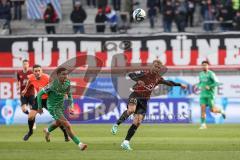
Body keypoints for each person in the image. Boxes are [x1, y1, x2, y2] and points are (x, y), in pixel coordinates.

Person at [111, 60, 187, 150]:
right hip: (135, 95)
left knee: (137, 122)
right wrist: (138, 80)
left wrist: (179, 84)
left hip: (144, 101)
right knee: (131, 110)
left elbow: (168, 82)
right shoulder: (144, 73)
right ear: (152, 66)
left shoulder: (158, 78)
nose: (157, 68)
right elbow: (131, 74)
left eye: (159, 67)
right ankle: (116, 125)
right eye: (156, 66)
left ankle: (126, 142)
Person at [37, 67, 87, 150]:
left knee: (58, 123)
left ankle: (47, 130)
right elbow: (39, 94)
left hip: (60, 106)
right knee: (67, 125)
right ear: (58, 75)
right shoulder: (52, 85)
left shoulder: (67, 83)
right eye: (63, 74)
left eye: (67, 74)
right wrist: (39, 107)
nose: (66, 76)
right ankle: (80, 144)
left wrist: (71, 107)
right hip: (53, 107)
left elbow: (70, 95)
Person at [22, 65, 69, 142]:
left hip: (49, 99)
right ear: (33, 72)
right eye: (35, 71)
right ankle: (30, 132)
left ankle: (66, 135)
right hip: (39, 99)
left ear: (41, 71)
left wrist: (63, 94)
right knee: (30, 117)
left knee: (58, 118)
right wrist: (25, 89)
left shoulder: (47, 78)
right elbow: (29, 82)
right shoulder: (31, 78)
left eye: (38, 71)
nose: (37, 72)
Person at [198, 61, 226, 129]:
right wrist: (199, 86)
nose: (204, 66)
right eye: (203, 65)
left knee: (212, 110)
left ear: (208, 66)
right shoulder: (200, 74)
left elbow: (217, 83)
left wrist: (210, 86)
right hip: (203, 95)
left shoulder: (211, 74)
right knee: (202, 109)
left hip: (210, 95)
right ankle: (203, 124)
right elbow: (200, 82)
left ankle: (221, 111)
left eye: (205, 65)